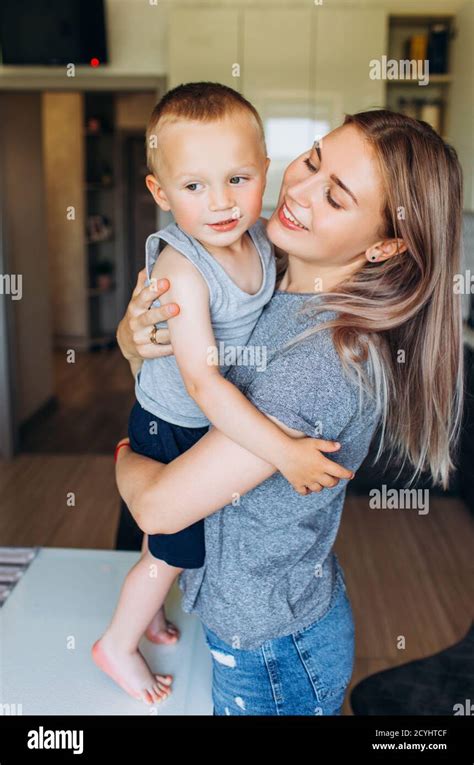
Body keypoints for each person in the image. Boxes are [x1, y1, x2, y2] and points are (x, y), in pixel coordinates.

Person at [114, 109, 464, 714]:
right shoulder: (262, 279)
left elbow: (157, 506)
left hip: (273, 654)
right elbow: (171, 389)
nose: (297, 190)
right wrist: (130, 338)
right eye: (312, 159)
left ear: (385, 244)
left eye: (334, 195)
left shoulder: (323, 361)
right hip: (247, 619)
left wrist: (123, 457)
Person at [91, 82, 352, 705]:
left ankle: (150, 618)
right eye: (193, 187)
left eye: (238, 178)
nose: (220, 203)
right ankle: (118, 645)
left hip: (206, 418)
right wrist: (285, 453)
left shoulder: (266, 240)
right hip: (173, 420)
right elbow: (204, 381)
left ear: (266, 170)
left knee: (170, 547)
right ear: (159, 193)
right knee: (170, 551)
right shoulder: (181, 266)